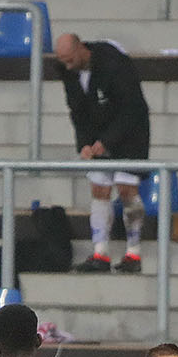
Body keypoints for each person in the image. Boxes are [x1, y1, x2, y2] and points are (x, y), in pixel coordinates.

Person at [54, 33, 151, 274]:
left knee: (127, 189)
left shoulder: (114, 64)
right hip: (98, 134)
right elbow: (76, 109)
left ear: (80, 50)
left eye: (69, 60)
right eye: (63, 61)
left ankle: (133, 253)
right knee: (99, 188)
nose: (67, 66)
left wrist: (107, 141)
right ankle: (100, 252)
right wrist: (85, 144)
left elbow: (132, 108)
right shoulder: (67, 70)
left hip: (130, 135)